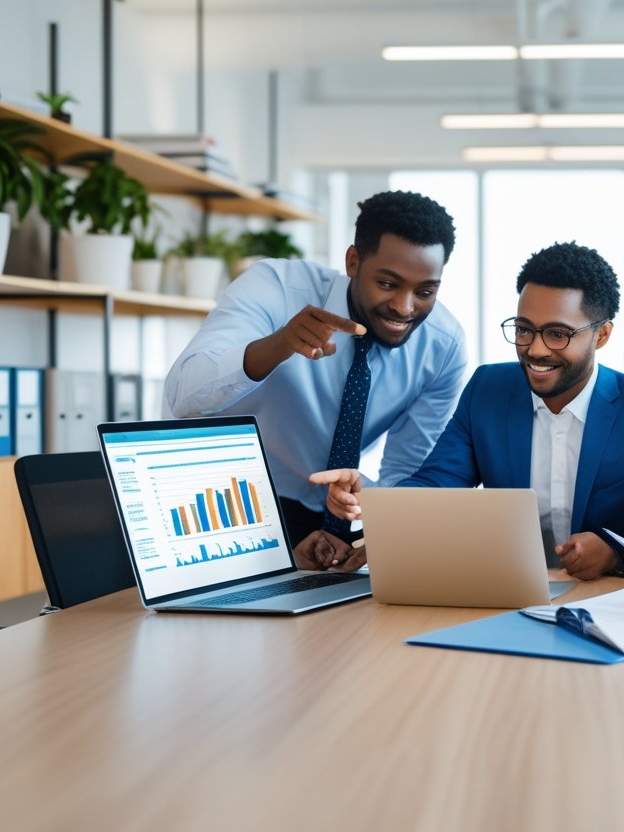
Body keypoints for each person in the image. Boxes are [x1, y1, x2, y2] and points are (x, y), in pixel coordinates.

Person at [316, 241, 624, 580]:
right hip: (502, 592)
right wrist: (376, 497)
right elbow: (439, 484)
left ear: (601, 335)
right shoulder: (488, 389)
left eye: (557, 334)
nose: (535, 350)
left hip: (598, 601)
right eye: (523, 329)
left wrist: (614, 552)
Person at [163, 191, 467, 570]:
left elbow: (406, 475)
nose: (404, 308)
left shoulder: (443, 347)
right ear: (353, 261)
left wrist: (369, 515)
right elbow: (182, 394)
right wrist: (278, 345)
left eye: (424, 291)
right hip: (216, 503)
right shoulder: (275, 287)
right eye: (388, 284)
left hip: (325, 518)